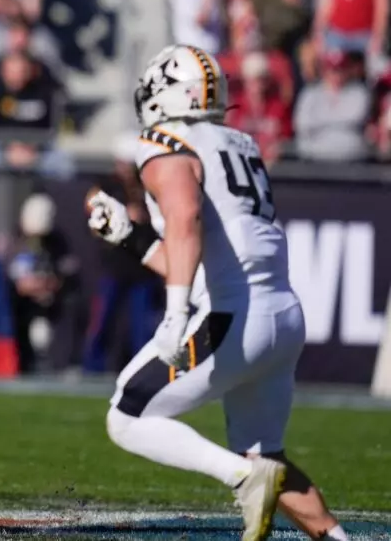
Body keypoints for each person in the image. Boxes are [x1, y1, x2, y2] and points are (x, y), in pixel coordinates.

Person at [85, 44, 347, 541]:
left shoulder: (164, 140)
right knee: (264, 452)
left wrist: (174, 315)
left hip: (232, 315)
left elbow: (185, 220)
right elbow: (193, 246)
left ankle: (245, 480)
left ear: (166, 94)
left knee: (126, 416)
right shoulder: (239, 142)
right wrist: (131, 237)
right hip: (283, 316)